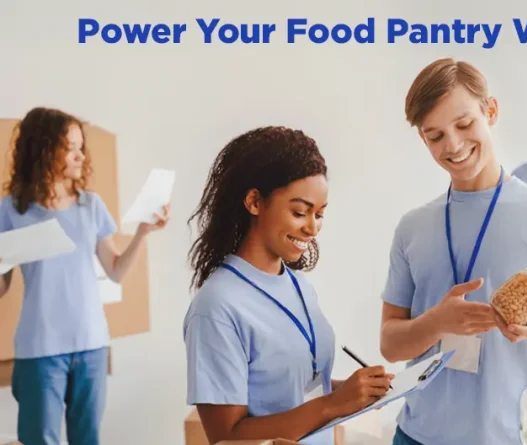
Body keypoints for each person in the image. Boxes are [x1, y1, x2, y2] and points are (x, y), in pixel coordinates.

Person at [379, 58, 527, 445]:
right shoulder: (412, 227)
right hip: (415, 436)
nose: (452, 145)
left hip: (510, 437)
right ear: (423, 139)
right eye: (435, 136)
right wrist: (437, 321)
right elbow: (390, 344)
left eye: (464, 124)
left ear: (491, 111)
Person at [183, 126, 393, 445]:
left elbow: (295, 391)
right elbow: (226, 436)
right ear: (254, 201)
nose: (312, 228)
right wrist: (333, 404)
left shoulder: (297, 284)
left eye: (319, 214)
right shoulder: (216, 307)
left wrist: (352, 390)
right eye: (300, 212)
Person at [0, 107, 169, 445]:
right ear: (45, 149)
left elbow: (116, 271)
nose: (81, 155)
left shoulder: (90, 206)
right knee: (38, 440)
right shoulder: (10, 209)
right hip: (40, 348)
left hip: (91, 344)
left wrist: (142, 234)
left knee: (87, 439)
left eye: (82, 146)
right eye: (72, 147)